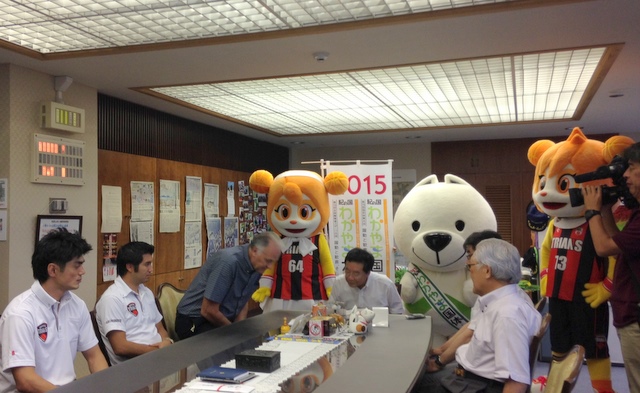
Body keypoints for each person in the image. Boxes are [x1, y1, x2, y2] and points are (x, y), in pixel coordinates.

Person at [414, 239, 541, 393]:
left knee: (411, 383)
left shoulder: (507, 315)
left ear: (487, 271)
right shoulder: (498, 302)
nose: (469, 272)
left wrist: (440, 361)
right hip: (469, 377)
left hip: (477, 385)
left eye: (470, 266)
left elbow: (516, 383)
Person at [0, 228, 108, 392]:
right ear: (53, 270)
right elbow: (25, 380)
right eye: (77, 265)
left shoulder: (77, 305)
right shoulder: (20, 313)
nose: (82, 272)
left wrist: (107, 387)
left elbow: (94, 356)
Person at [582, 142, 640, 393]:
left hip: (636, 320)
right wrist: (605, 211)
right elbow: (619, 244)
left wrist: (592, 212)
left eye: (633, 168)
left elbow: (604, 247)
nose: (625, 175)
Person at [175, 231, 283, 339]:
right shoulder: (228, 262)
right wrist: (234, 332)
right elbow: (208, 310)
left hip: (219, 320)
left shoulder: (257, 266)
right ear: (255, 250)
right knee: (227, 346)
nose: (270, 266)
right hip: (194, 320)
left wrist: (238, 329)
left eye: (273, 262)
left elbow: (242, 300)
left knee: (255, 340)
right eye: (268, 261)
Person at [95, 241, 172, 365]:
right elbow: (120, 346)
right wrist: (156, 351)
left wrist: (167, 341)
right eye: (147, 264)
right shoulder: (112, 299)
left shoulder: (146, 292)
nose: (151, 269)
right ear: (130, 267)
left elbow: (160, 329)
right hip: (134, 366)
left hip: (158, 358)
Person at [328, 248, 404, 314]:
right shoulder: (339, 283)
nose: (350, 277)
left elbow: (397, 312)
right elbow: (331, 309)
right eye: (347, 271)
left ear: (368, 273)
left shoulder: (385, 284)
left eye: (356, 273)